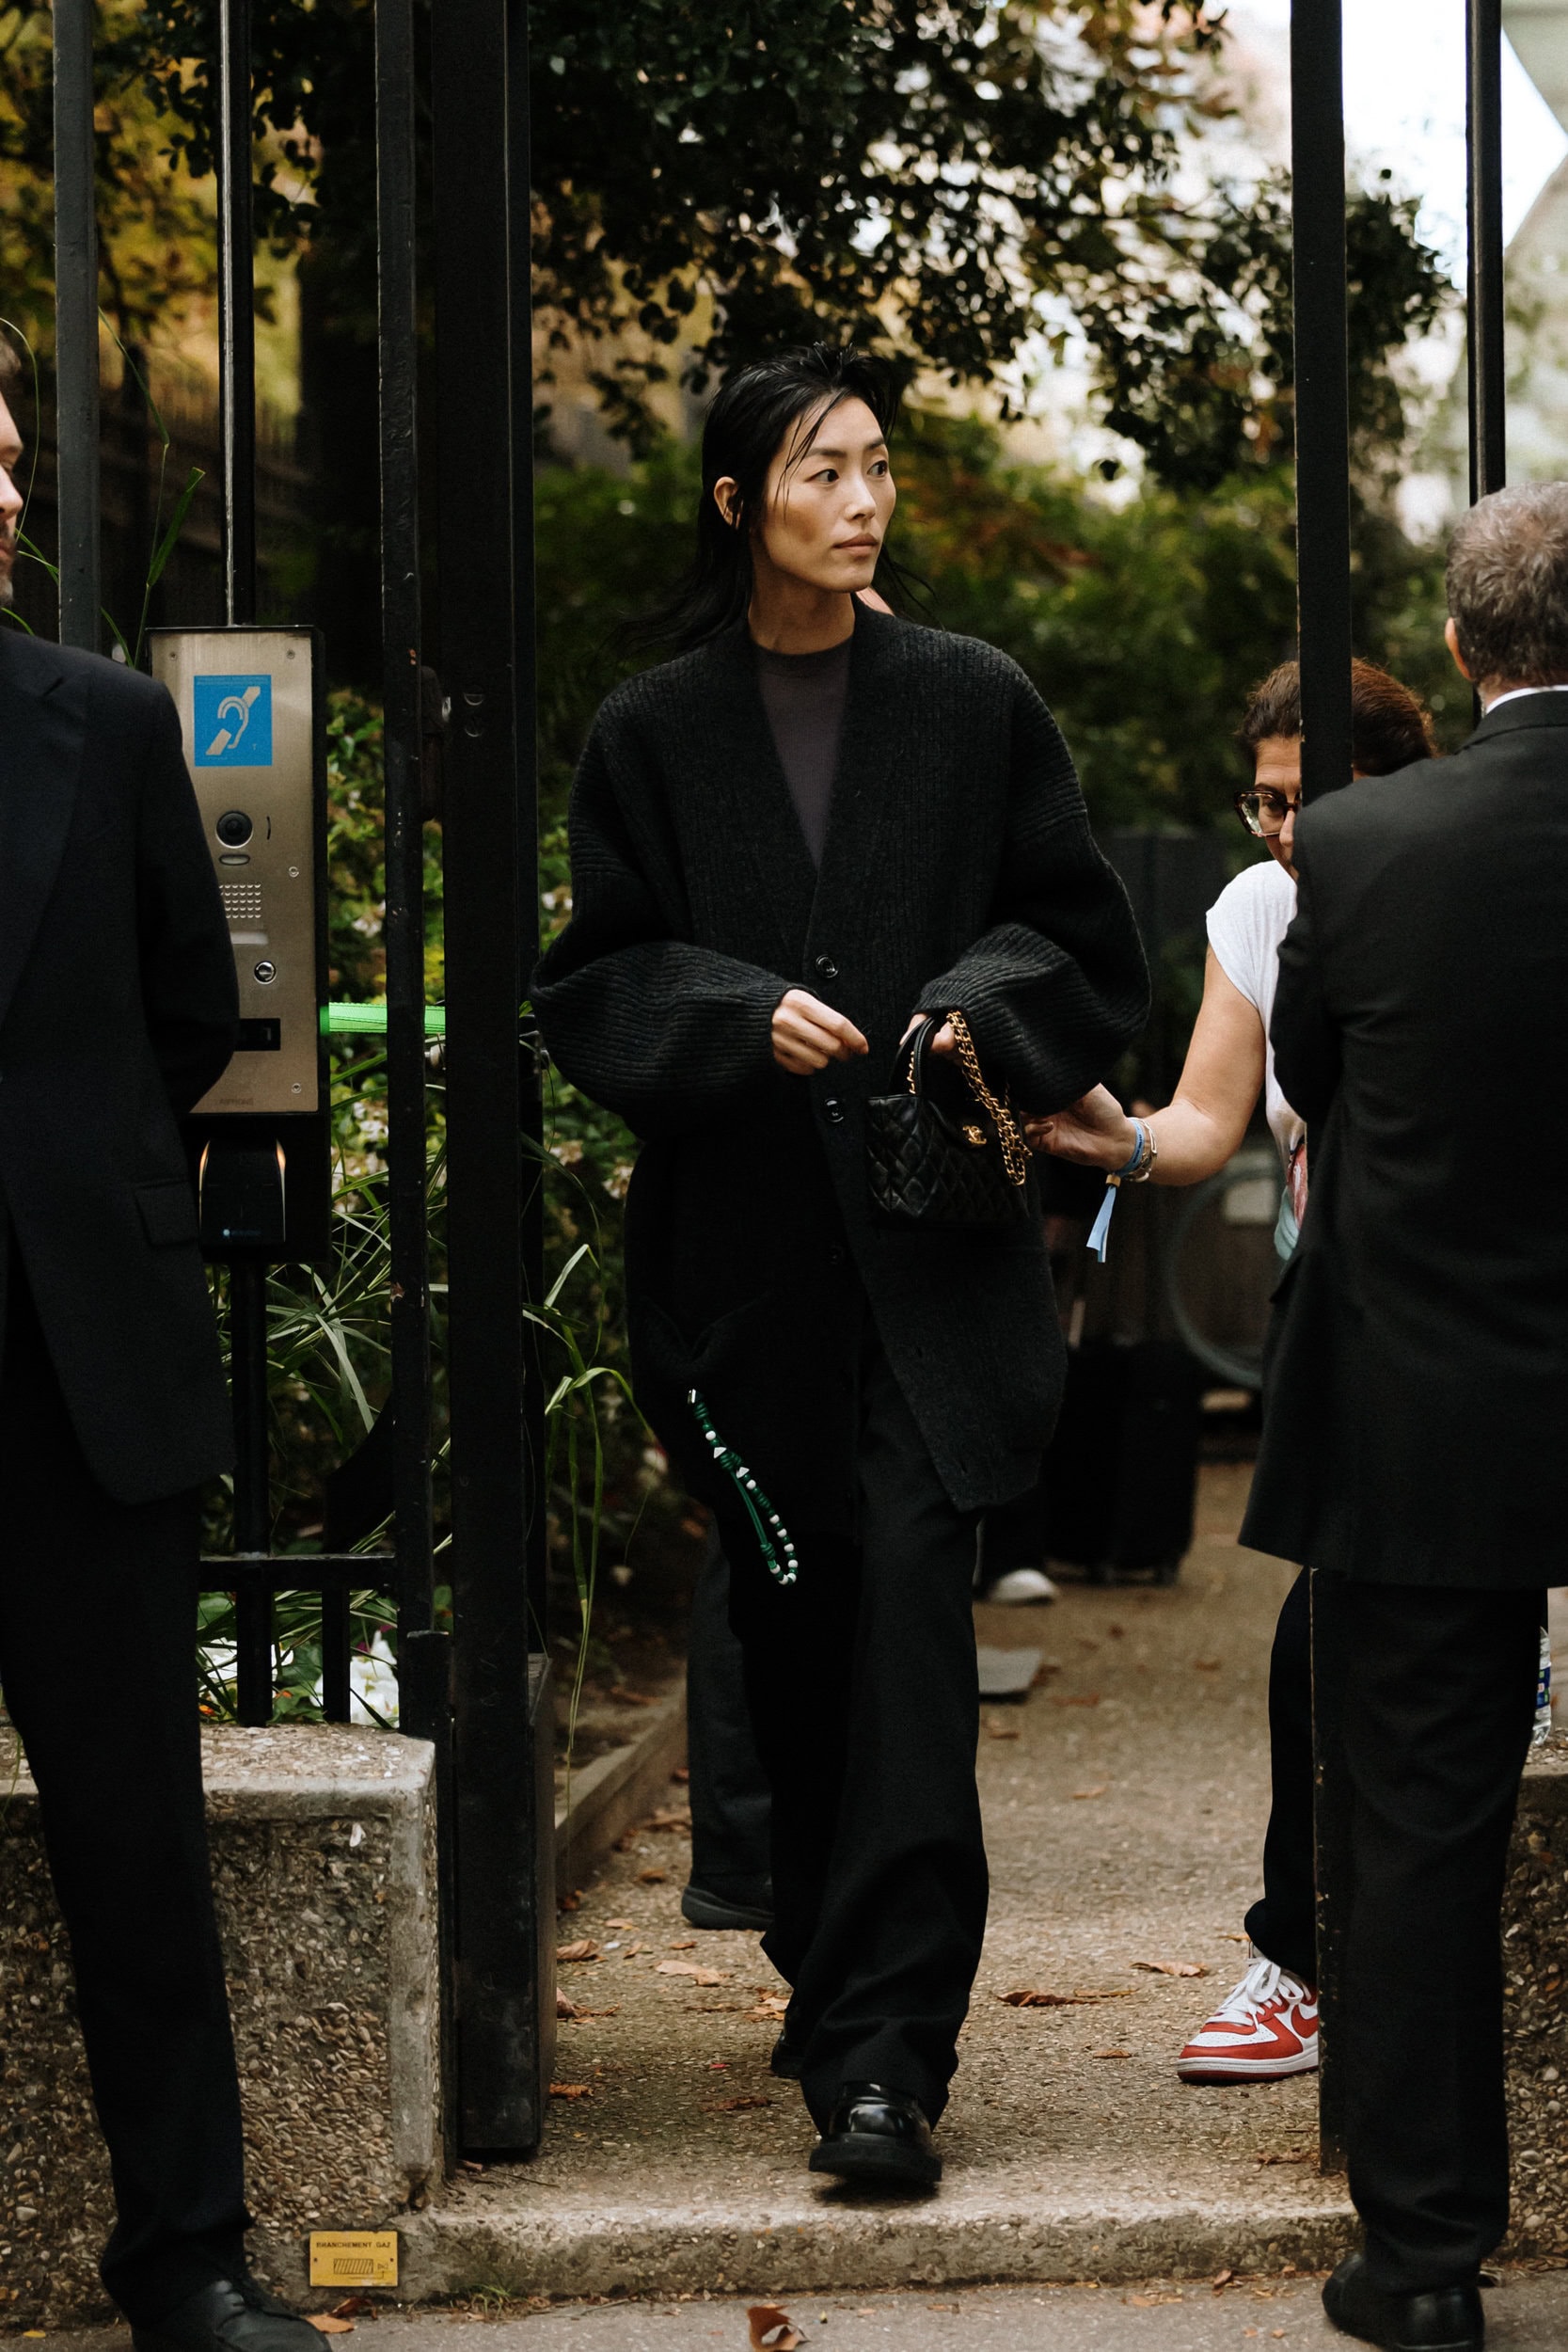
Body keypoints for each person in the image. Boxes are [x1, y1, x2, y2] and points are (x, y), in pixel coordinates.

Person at [532, 342, 1148, 2186]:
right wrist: (735, 1013)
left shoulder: (970, 699)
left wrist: (970, 1008)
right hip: (745, 1285)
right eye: (823, 470)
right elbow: (592, 982)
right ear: (740, 503)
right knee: (796, 1636)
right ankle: (832, 1972)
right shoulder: (653, 730)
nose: (863, 499)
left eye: (878, 464)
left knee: (907, 1638)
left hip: (934, 1267)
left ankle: (890, 2061)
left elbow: (1079, 933)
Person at [0, 342, 321, 2352]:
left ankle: (187, 2256)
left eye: (9, 456)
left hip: (80, 1372)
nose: (5, 490)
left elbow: (199, 1008)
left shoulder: (105, 722)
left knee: (135, 1833)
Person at [1242, 482, 1568, 2352]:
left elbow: (1312, 1073)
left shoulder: (1359, 845)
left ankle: (1428, 2257)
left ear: (1458, 645)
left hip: (1430, 1387)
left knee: (1424, 1826)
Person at [1029, 660, 1435, 2089]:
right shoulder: (1259, 908)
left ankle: (1338, 1965)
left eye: (1306, 798)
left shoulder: (1451, 879)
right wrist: (1115, 1140)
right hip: (1339, 1305)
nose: (1280, 827)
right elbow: (1207, 1122)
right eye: (1263, 800)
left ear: (1392, 786)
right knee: (1325, 1633)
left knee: (1377, 1632)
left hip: (1464, 1305)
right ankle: (1303, 1965)